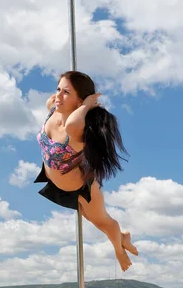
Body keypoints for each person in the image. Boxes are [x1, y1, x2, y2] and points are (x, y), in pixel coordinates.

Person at [34, 70, 138, 271]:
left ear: (79, 102)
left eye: (66, 92)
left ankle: (118, 246)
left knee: (102, 222)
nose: (58, 96)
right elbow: (56, 97)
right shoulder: (52, 107)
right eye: (58, 89)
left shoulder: (75, 126)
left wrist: (88, 105)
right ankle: (123, 237)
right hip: (58, 182)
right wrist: (68, 87)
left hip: (83, 187)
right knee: (92, 219)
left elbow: (75, 119)